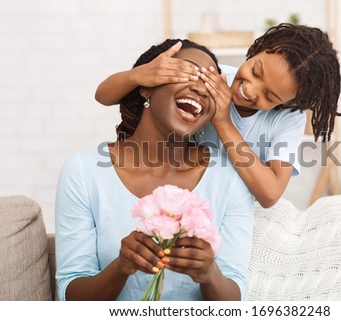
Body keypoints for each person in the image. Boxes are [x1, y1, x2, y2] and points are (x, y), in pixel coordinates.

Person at [55, 39, 254, 301]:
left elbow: (234, 298)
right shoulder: (83, 171)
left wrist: (210, 275)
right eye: (189, 72)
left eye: (211, 85)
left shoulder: (230, 177)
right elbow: (70, 295)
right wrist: (120, 267)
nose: (201, 89)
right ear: (146, 87)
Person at [95, 23, 341, 208]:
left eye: (270, 97)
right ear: (258, 49)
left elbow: (269, 194)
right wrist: (139, 75)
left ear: (288, 102)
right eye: (256, 71)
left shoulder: (289, 117)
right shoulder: (212, 74)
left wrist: (223, 122)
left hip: (231, 208)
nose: (251, 90)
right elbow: (103, 96)